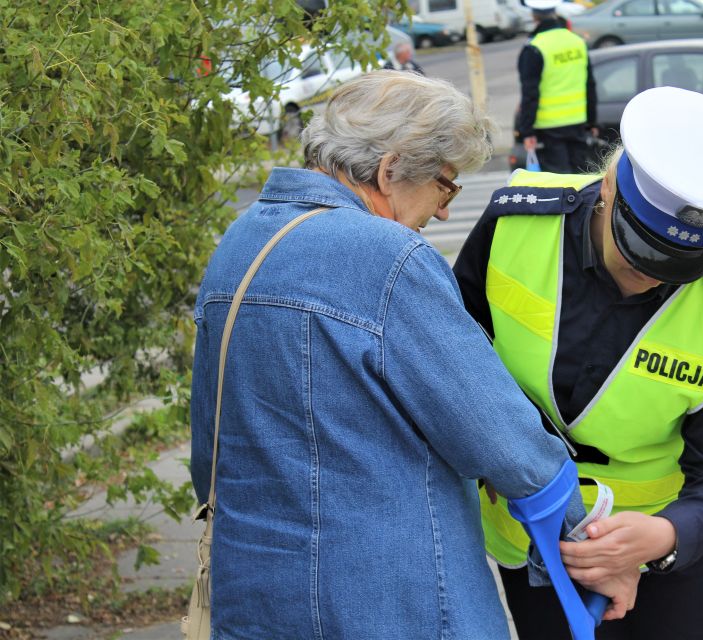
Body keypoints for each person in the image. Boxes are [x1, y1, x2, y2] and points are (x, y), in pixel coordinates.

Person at [189, 71, 637, 639]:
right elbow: (504, 441)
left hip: (255, 595)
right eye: (445, 186)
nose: (446, 212)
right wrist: (591, 551)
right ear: (390, 169)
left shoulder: (241, 242)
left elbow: (210, 453)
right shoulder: (387, 255)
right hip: (391, 601)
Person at [453, 86, 703, 639]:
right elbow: (453, 355)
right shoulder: (516, 224)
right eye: (639, 252)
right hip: (537, 543)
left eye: (675, 268)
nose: (651, 276)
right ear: (607, 189)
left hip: (674, 558)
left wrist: (663, 537)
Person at [518, 0, 598, 173]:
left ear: (533, 15)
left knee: (559, 184)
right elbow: (590, 84)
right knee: (581, 179)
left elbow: (530, 93)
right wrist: (592, 121)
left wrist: (527, 131)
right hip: (578, 122)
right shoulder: (577, 42)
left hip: (549, 128)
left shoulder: (534, 47)